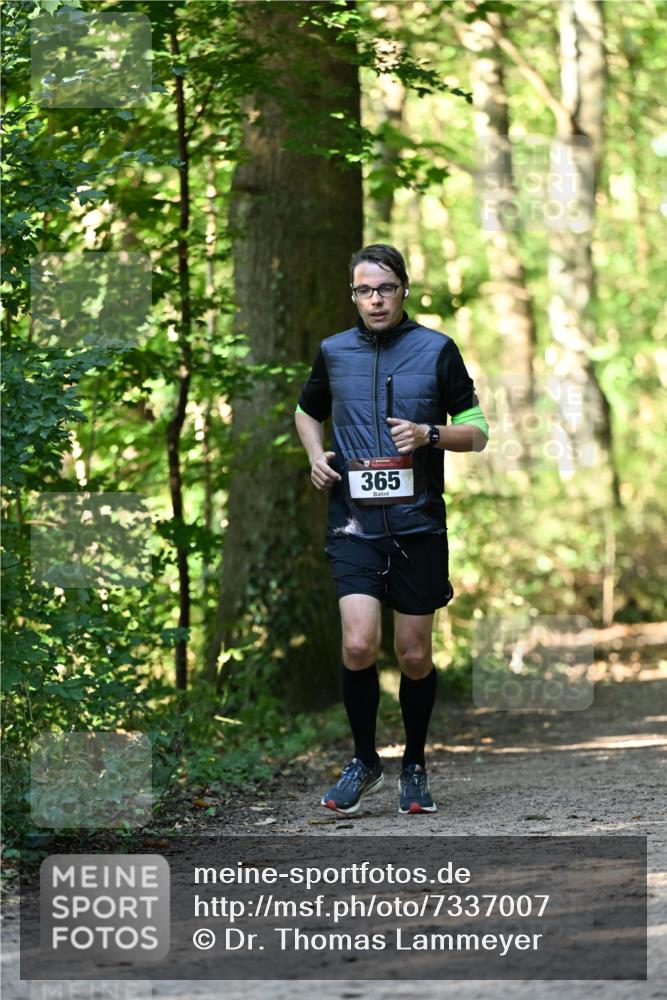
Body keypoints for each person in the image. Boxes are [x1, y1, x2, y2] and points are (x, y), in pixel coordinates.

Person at [294, 244, 488, 816]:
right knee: (357, 643)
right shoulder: (333, 352)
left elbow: (477, 432)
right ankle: (364, 761)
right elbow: (308, 411)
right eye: (362, 290)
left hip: (418, 525)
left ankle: (416, 766)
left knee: (413, 655)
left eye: (383, 288)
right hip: (353, 523)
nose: (373, 300)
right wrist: (314, 456)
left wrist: (430, 434)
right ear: (352, 295)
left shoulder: (437, 350)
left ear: (404, 288)